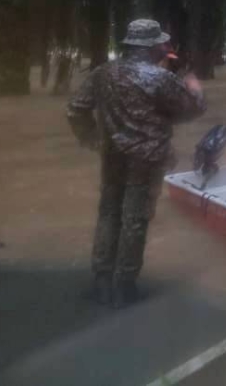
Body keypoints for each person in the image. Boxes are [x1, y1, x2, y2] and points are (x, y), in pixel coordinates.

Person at [67, 19, 206, 308]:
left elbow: (76, 110)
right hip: (147, 158)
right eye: (162, 44)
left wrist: (93, 139)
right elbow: (191, 111)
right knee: (135, 219)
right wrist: (193, 87)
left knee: (108, 213)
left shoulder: (103, 73)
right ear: (152, 47)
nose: (167, 47)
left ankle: (101, 280)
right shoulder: (160, 79)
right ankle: (125, 287)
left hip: (112, 154)